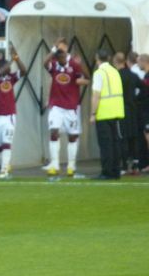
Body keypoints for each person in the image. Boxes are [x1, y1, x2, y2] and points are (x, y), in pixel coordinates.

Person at [44, 38, 89, 178]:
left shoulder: (74, 65)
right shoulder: (54, 65)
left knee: (72, 136)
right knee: (54, 132)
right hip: (56, 106)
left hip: (71, 107)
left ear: (66, 55)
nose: (61, 59)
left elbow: (88, 77)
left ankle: (71, 166)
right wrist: (53, 49)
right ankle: (55, 164)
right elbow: (44, 63)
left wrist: (82, 79)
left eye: (62, 55)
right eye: (58, 57)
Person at [0, 50, 27, 179]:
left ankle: (4, 170)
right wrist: (11, 61)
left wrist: (17, 58)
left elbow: (24, 71)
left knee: (6, 143)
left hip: (9, 115)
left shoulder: (11, 78)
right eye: (6, 67)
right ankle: (4, 164)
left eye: (9, 67)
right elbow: (0, 72)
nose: (9, 68)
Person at [90, 50, 124, 180]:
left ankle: (107, 171)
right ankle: (116, 171)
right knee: (115, 143)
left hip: (104, 112)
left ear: (96, 58)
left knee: (106, 144)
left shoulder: (100, 73)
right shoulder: (115, 71)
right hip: (117, 111)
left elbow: (96, 95)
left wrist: (93, 113)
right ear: (108, 58)